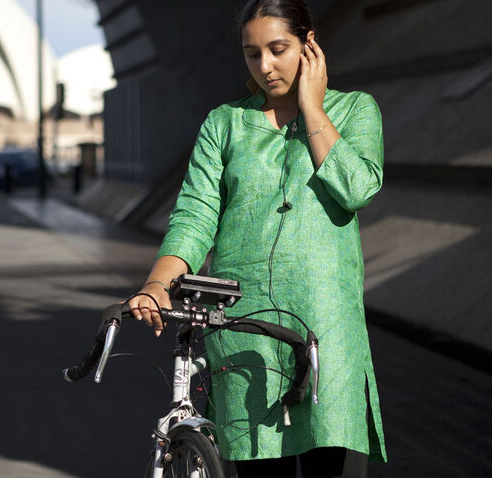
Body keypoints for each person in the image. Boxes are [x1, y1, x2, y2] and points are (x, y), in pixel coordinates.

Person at [126, 0, 388, 476]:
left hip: (325, 330)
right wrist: (157, 284)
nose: (265, 66)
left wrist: (311, 107)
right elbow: (195, 215)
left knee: (332, 461)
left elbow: (357, 188)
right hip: (245, 331)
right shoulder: (224, 124)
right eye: (252, 54)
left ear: (310, 46)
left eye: (278, 49)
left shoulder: (354, 111)